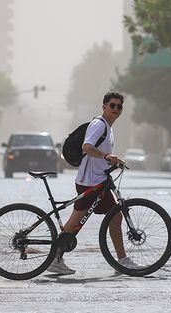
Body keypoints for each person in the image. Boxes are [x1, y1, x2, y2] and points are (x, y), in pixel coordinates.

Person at [47, 91, 140, 275]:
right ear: (104, 106)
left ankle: (121, 261)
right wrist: (106, 156)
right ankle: (121, 261)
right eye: (112, 105)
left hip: (96, 180)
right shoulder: (99, 125)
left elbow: (97, 152)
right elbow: (87, 147)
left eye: (119, 106)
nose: (115, 109)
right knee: (80, 221)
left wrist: (113, 161)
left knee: (113, 217)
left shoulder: (107, 127)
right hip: (90, 182)